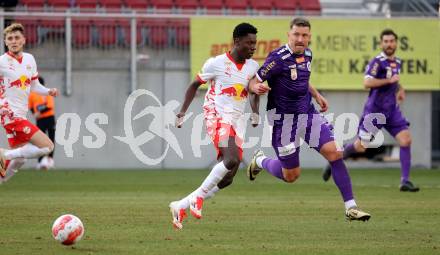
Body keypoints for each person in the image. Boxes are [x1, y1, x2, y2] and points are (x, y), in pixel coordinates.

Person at [247, 17, 371, 221]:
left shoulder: (308, 55)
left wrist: (316, 94)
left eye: (304, 35)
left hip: (307, 114)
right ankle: (260, 160)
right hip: (283, 121)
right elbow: (253, 81)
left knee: (335, 153)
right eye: (296, 34)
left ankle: (351, 207)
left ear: (309, 37)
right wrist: (255, 88)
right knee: (291, 175)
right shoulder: (277, 58)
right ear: (289, 35)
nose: (300, 39)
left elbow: (303, 79)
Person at [169, 23, 261, 229]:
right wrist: (182, 111)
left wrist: (255, 111)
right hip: (216, 115)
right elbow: (195, 84)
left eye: (254, 43)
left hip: (237, 120)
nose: (253, 47)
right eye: (249, 43)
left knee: (229, 176)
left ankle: (181, 205)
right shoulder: (216, 63)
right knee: (232, 159)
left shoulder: (253, 67)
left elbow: (254, 92)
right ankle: (198, 198)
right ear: (237, 42)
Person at [322, 29, 419, 192]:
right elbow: (367, 83)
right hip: (375, 111)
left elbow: (394, 80)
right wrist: (389, 81)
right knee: (361, 147)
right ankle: (336, 157)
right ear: (381, 44)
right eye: (386, 41)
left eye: (391, 41)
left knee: (406, 140)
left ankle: (405, 181)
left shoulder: (398, 62)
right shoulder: (377, 62)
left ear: (396, 43)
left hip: (392, 110)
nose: (389, 44)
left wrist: (400, 88)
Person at [0, 23, 58, 183]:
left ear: (23, 40)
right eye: (10, 38)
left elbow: (34, 85)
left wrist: (48, 91)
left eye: (17, 37)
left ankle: (1, 178)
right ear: (5, 42)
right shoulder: (2, 62)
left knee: (20, 159)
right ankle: (3, 154)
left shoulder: (29, 59)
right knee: (47, 146)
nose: (13, 41)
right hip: (9, 115)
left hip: (21, 113)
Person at [29, 76, 56, 169]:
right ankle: (40, 161)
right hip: (40, 120)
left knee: (51, 139)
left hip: (49, 118)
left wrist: (38, 112)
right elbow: (31, 106)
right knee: (40, 141)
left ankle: (50, 160)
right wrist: (34, 113)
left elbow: (49, 106)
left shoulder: (47, 93)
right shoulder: (32, 94)